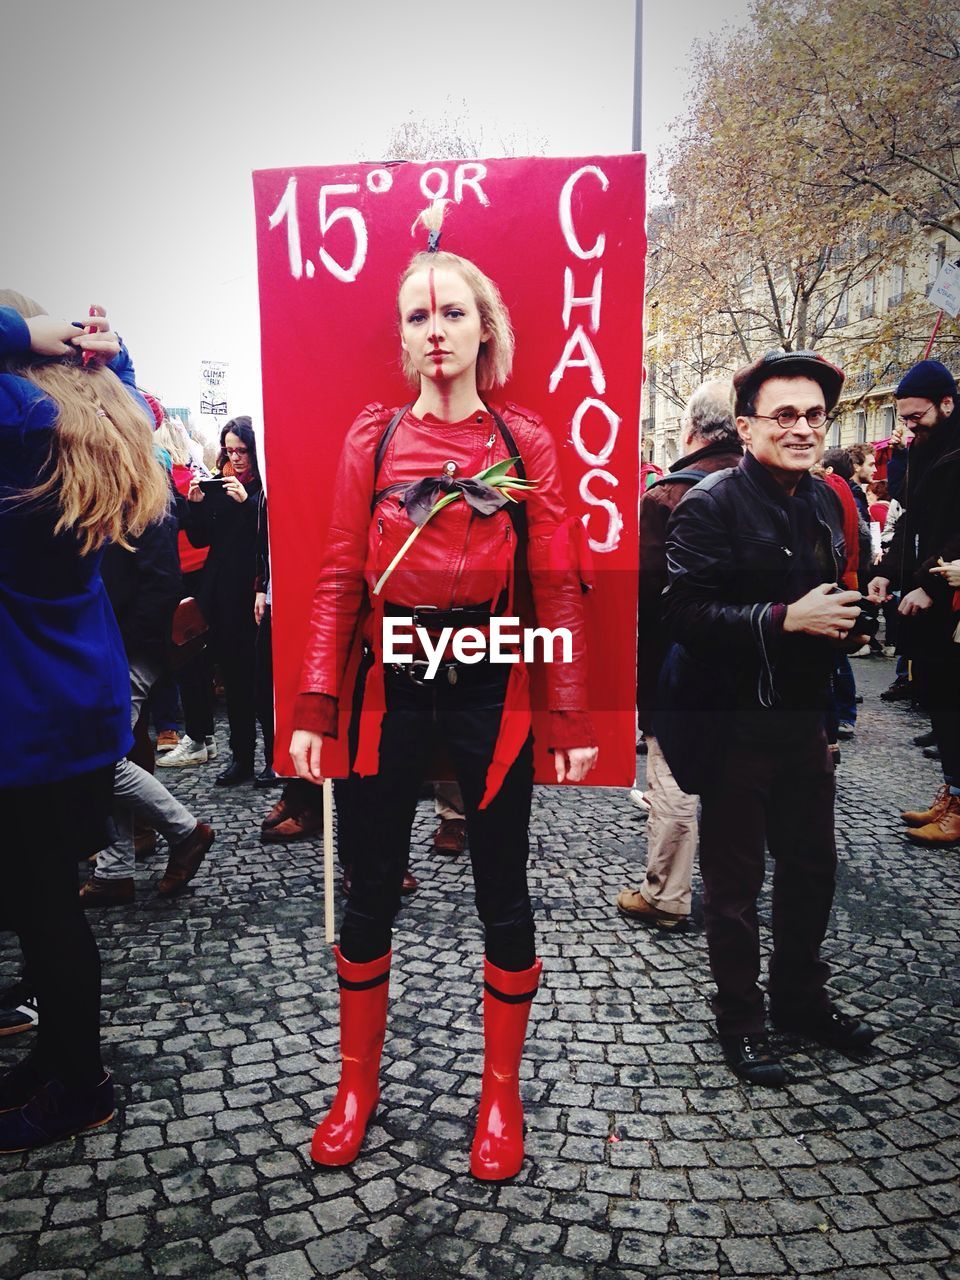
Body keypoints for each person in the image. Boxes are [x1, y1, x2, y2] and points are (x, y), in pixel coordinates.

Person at [289, 203, 597, 1179]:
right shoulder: (371, 439)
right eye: (418, 316)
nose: (434, 330)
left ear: (482, 327)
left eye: (452, 313)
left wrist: (570, 709)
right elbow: (339, 570)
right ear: (405, 335)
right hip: (389, 684)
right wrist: (311, 705)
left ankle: (498, 1100)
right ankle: (355, 1083)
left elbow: (554, 576)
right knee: (369, 884)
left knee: (503, 892)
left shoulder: (526, 437)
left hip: (491, 683)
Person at [658, 348, 876, 1086]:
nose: (803, 428)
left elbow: (822, 606)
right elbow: (684, 615)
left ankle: (800, 1001)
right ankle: (741, 1021)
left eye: (815, 414)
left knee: (812, 868)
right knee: (735, 884)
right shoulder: (710, 502)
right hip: (729, 728)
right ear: (747, 427)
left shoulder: (823, 500)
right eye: (785, 414)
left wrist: (848, 619)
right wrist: (785, 619)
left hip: (801, 722)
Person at [0, 290, 168, 1151]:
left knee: (44, 908)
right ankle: (58, 1059)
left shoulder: (20, 423)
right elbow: (131, 389)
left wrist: (27, 333)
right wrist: (111, 349)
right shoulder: (96, 419)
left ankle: (79, 1081)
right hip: (77, 703)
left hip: (24, 710)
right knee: (46, 901)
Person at [617, 379, 742, 930]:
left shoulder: (667, 495)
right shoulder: (767, 486)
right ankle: (731, 888)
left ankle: (666, 893)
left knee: (672, 771)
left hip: (681, 662)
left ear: (691, 430)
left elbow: (643, 596)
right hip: (754, 658)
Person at [868, 360, 960, 846]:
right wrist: (885, 572)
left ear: (947, 404)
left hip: (952, 598)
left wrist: (933, 584)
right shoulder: (925, 450)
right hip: (934, 599)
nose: (908, 426)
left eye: (916, 416)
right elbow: (912, 522)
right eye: (902, 418)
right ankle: (952, 791)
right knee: (941, 701)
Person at [182, 416, 272, 785]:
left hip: (253, 592)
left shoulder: (264, 488)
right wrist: (196, 505)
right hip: (220, 594)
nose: (236, 458)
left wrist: (247, 504)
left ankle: (272, 756)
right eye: (230, 450)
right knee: (233, 679)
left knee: (261, 680)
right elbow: (203, 539)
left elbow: (266, 540)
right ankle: (242, 757)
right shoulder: (220, 484)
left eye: (242, 450)